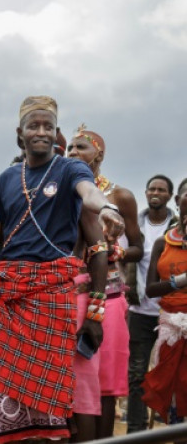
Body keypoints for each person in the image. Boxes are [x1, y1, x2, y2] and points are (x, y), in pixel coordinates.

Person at [0, 96, 124, 444]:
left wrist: (106, 207)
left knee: (50, 408)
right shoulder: (8, 177)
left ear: (56, 133)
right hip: (9, 296)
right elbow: (0, 235)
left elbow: (88, 193)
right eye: (33, 126)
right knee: (7, 399)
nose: (41, 132)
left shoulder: (70, 169)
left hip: (50, 297)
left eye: (48, 126)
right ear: (20, 134)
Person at [67, 125, 144, 438]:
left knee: (106, 386)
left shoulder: (118, 196)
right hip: (72, 294)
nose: (72, 153)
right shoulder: (66, 192)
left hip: (109, 298)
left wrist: (117, 252)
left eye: (80, 148)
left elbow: (139, 247)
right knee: (73, 379)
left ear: (98, 154)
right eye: (70, 149)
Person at [127, 175, 175, 434]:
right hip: (138, 311)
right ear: (145, 193)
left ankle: (172, 428)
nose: (155, 192)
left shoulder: (178, 227)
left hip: (172, 313)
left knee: (173, 375)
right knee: (136, 375)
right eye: (151, 188)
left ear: (170, 196)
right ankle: (136, 430)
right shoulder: (133, 224)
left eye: (161, 189)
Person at [141, 190, 187, 427]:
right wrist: (181, 281)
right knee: (175, 396)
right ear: (178, 204)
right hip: (172, 328)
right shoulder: (163, 242)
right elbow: (150, 289)